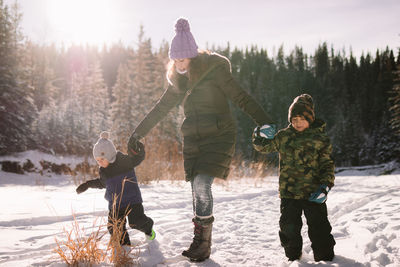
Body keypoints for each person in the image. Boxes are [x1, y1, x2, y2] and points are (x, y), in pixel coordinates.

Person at [127, 18, 273, 262]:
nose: (179, 64)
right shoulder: (178, 81)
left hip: (219, 135)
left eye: (182, 59)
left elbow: (240, 97)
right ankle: (200, 240)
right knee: (196, 187)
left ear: (192, 56)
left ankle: (202, 244)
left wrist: (264, 120)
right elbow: (160, 109)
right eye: (175, 60)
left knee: (203, 183)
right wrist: (138, 133)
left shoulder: (214, 71)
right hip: (194, 140)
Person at [252, 94, 336, 262]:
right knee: (288, 228)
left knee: (319, 227)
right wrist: (258, 133)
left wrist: (325, 187)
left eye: (302, 119)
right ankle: (293, 257)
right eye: (294, 119)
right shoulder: (284, 136)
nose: (297, 122)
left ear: (310, 119)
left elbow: (327, 165)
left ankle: (325, 257)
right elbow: (264, 147)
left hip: (313, 193)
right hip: (289, 192)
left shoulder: (320, 138)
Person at [76, 131, 155, 249]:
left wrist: (137, 148)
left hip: (132, 201)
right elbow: (102, 183)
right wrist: (87, 185)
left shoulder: (124, 161)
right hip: (115, 204)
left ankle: (149, 228)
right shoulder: (103, 171)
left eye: (102, 159)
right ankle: (124, 247)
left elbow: (138, 158)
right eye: (97, 160)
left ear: (110, 155)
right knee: (114, 226)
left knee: (136, 222)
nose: (100, 163)